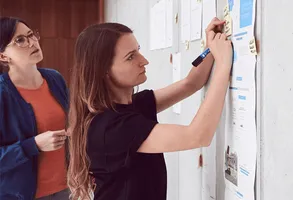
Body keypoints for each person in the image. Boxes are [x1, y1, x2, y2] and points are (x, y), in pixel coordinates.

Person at [67, 17, 233, 200]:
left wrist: (210, 49)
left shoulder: (134, 104)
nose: (144, 61)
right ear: (104, 71)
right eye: (130, 57)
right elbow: (198, 136)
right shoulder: (111, 127)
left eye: (138, 51)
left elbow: (191, 83)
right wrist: (223, 65)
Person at [0, 17, 70, 200]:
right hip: (21, 195)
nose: (32, 42)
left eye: (31, 35)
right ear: (3, 56)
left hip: (66, 188)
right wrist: (33, 145)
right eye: (20, 40)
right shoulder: (2, 94)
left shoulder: (55, 79)